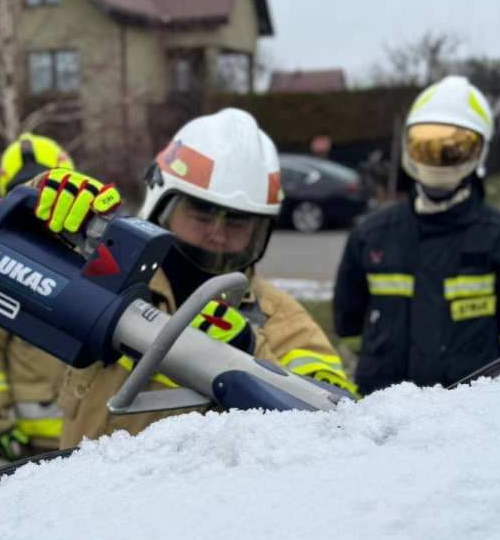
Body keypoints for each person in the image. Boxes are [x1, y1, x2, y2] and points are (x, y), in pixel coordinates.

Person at [20, 108, 354, 447]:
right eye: (201, 215)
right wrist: (38, 209)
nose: (218, 236)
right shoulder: (100, 272)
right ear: (159, 203)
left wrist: (250, 358)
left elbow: (338, 430)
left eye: (238, 224)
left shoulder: (284, 322)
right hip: (80, 496)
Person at [334, 75, 500, 395]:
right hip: (384, 417)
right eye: (426, 147)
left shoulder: (499, 238)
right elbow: (348, 324)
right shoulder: (371, 236)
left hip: (468, 417)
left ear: (479, 151)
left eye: (452, 150)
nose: (438, 160)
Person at [0, 132, 72, 459]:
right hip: (34, 444)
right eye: (26, 194)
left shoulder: (96, 252)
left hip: (97, 433)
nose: (38, 205)